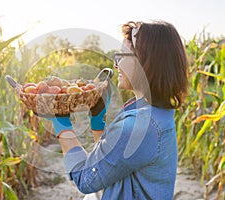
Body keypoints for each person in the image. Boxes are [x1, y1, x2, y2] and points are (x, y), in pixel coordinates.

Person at [46, 20, 188, 199]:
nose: (116, 64)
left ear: (146, 62)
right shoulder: (157, 113)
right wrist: (98, 121)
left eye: (122, 56)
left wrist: (61, 124)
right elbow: (112, 163)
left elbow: (86, 179)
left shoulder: (138, 127)